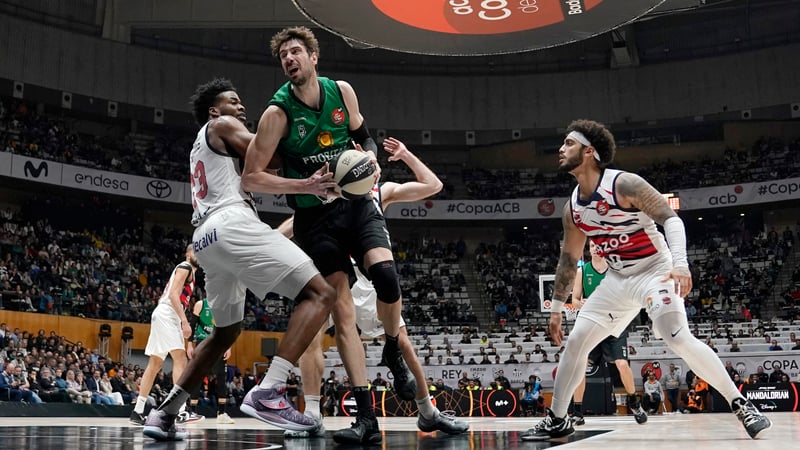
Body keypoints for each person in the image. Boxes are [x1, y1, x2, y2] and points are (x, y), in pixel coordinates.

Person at [521, 120, 771, 441]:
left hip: (655, 270)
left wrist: (681, 264)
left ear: (589, 151)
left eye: (569, 143)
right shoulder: (573, 209)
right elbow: (569, 260)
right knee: (576, 342)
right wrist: (557, 308)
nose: (561, 148)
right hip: (617, 279)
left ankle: (741, 404)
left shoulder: (624, 184)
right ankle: (558, 418)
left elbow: (671, 220)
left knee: (676, 336)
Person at [246, 26, 416, 445]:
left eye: (296, 51)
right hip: (315, 219)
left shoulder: (341, 92)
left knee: (387, 278)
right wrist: (304, 185)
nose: (290, 59)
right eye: (284, 55)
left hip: (355, 205)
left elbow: (363, 135)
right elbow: (251, 177)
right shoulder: (277, 114)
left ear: (313, 57)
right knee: (342, 313)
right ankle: (367, 420)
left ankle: (391, 348)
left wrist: (371, 158)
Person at [142, 78, 336, 441]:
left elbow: (263, 164)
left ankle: (164, 413)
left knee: (225, 332)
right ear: (215, 110)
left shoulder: (203, 144)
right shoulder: (221, 124)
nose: (241, 107)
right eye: (233, 101)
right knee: (321, 294)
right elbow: (269, 157)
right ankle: (270, 389)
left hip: (205, 237)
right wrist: (312, 138)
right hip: (231, 223)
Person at [277, 137, 467, 439]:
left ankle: (428, 412)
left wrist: (406, 154)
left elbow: (433, 186)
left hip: (365, 280)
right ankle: (312, 414)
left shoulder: (380, 191)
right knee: (310, 335)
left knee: (401, 342)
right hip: (330, 273)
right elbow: (291, 225)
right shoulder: (329, 189)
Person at [569, 241, 646, 426]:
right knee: (580, 367)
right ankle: (577, 411)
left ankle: (634, 403)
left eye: (598, 245)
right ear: (589, 250)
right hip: (592, 325)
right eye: (592, 246)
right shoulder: (582, 271)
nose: (595, 248)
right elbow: (574, 300)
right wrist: (581, 304)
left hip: (614, 323)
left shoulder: (615, 270)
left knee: (622, 364)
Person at [131, 246, 202, 425]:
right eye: (195, 251)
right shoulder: (185, 266)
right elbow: (173, 295)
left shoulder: (190, 273)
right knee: (180, 359)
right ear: (187, 254)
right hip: (168, 314)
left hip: (163, 313)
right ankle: (180, 411)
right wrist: (184, 321)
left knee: (155, 363)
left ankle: (137, 412)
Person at [185, 296, 235, 424]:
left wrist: (229, 347)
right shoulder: (201, 304)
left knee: (221, 377)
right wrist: (189, 345)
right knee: (196, 377)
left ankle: (221, 413)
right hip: (203, 343)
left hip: (219, 344)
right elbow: (192, 325)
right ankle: (193, 411)